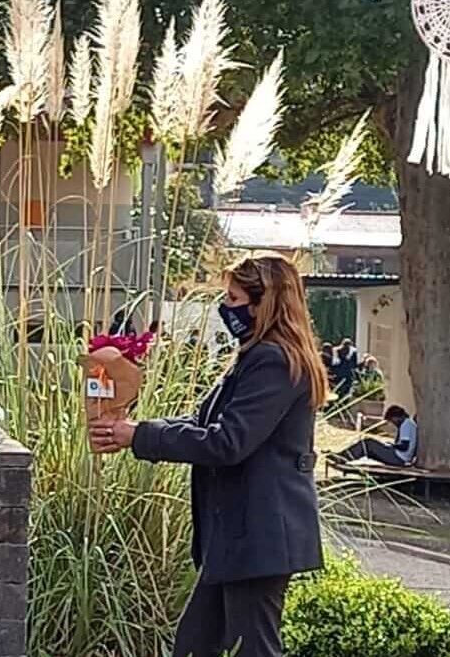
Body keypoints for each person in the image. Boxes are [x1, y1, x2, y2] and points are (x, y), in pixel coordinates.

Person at [89, 254, 328, 657]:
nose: (226, 307)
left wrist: (140, 436)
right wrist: (134, 430)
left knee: (252, 648)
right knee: (195, 645)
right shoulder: (257, 357)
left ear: (262, 303)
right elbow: (202, 422)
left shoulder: (272, 361)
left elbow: (227, 442)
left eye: (233, 298)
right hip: (240, 536)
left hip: (256, 535)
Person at [333, 405, 418, 467]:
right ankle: (343, 456)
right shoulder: (408, 424)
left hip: (399, 457)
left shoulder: (406, 424)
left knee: (368, 443)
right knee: (369, 449)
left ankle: (343, 457)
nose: (393, 423)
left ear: (397, 417)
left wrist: (392, 445)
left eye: (392, 420)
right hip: (401, 457)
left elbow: (404, 446)